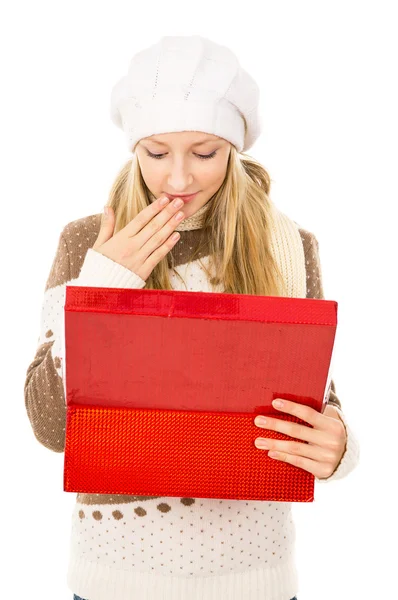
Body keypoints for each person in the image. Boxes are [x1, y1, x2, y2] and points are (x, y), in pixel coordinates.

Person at [24, 34, 360, 600]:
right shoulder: (88, 243)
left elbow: (314, 408)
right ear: (133, 148)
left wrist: (340, 451)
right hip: (114, 582)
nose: (178, 180)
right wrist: (105, 285)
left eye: (204, 152)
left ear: (236, 147)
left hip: (256, 582)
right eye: (156, 153)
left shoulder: (291, 246)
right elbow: (52, 429)